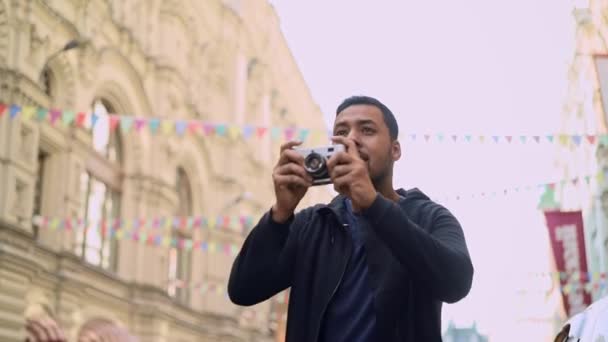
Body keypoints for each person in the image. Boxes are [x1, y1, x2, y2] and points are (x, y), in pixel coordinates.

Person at [228, 95, 474, 341]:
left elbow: (456, 283)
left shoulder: (430, 217)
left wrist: (373, 205)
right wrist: (280, 215)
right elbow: (243, 290)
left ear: (395, 149)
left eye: (367, 130)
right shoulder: (313, 223)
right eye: (341, 132)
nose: (352, 139)